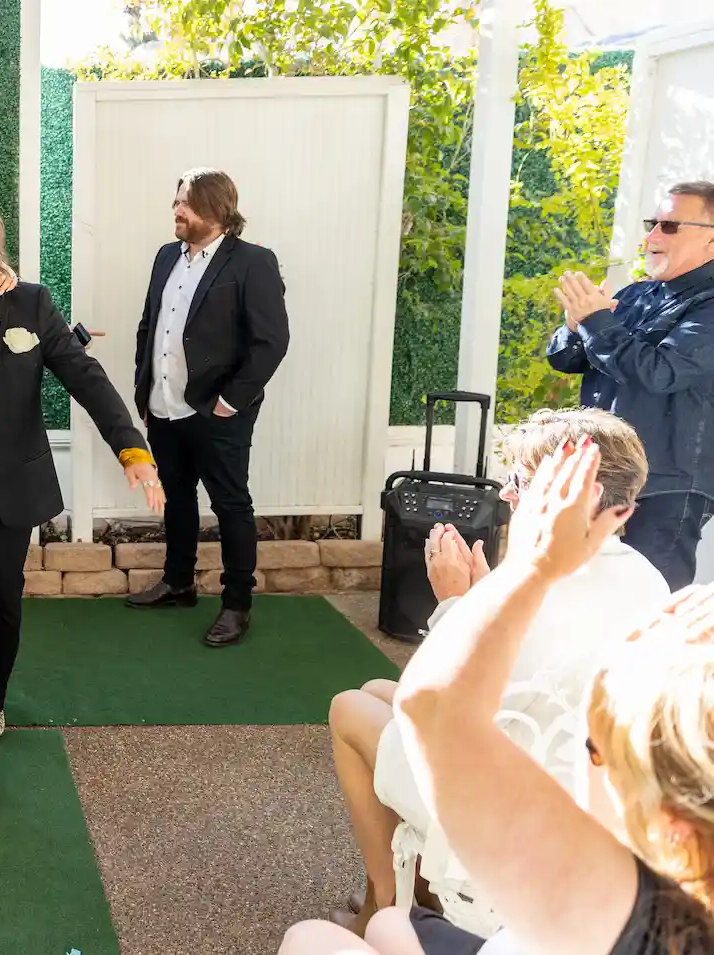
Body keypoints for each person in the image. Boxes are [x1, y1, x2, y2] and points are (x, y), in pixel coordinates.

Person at [280, 439, 714, 955]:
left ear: (574, 495)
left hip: (515, 789)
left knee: (348, 707)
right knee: (376, 690)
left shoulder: (537, 579)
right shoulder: (649, 580)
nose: (507, 493)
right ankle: (408, 892)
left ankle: (382, 894)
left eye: (524, 482)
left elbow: (441, 713)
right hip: (550, 758)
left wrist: (458, 605)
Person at [0, 178, 165, 821]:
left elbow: (86, 379)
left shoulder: (28, 305)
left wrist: (134, 452)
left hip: (6, 485)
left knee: (6, 609)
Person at [126, 168, 290, 647]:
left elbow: (271, 341)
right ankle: (178, 582)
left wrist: (230, 401)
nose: (176, 211)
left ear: (218, 211)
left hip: (218, 412)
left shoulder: (253, 262)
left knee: (231, 504)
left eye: (187, 204)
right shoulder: (165, 257)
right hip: (165, 406)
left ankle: (237, 603)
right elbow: (149, 326)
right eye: (176, 200)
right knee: (176, 499)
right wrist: (146, 390)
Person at [548, 180, 714, 589]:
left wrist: (597, 321)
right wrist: (575, 326)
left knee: (651, 603)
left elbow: (661, 372)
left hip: (666, 486)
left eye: (670, 226)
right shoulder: (638, 294)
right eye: (651, 223)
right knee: (582, 594)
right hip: (602, 475)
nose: (652, 236)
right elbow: (567, 359)